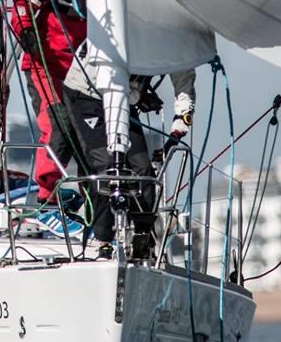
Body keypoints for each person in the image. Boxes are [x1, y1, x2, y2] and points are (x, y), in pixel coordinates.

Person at [63, 62, 196, 258]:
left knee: (143, 171)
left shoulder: (179, 47)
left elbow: (184, 90)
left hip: (123, 99)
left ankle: (143, 238)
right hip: (86, 93)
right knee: (107, 167)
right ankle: (103, 241)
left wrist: (174, 137)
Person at [10, 0, 87, 210]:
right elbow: (22, 5)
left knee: (91, 135)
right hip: (46, 65)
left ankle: (94, 200)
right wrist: (26, 32)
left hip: (85, 73)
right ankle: (46, 198)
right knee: (58, 124)